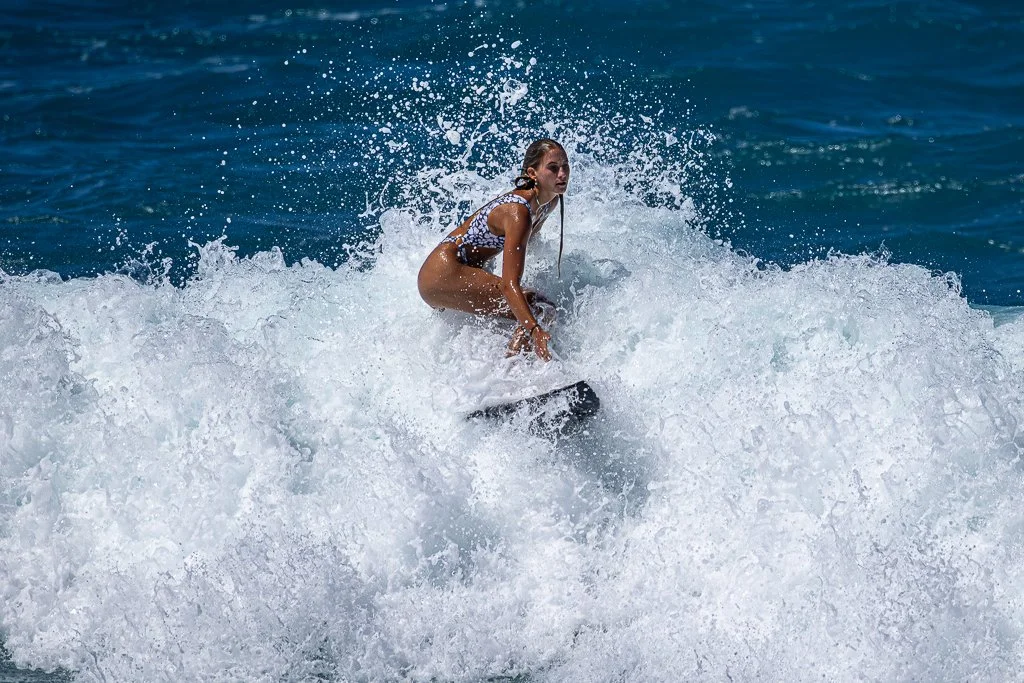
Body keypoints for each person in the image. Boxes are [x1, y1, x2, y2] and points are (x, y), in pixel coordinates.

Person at [417, 138, 570, 361]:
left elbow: (529, 249)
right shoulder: (519, 213)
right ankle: (512, 374)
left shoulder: (549, 203)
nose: (562, 174)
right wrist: (535, 330)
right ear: (532, 173)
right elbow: (509, 285)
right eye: (553, 168)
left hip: (464, 272)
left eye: (565, 166)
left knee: (530, 307)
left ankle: (502, 368)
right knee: (539, 309)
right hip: (442, 274)